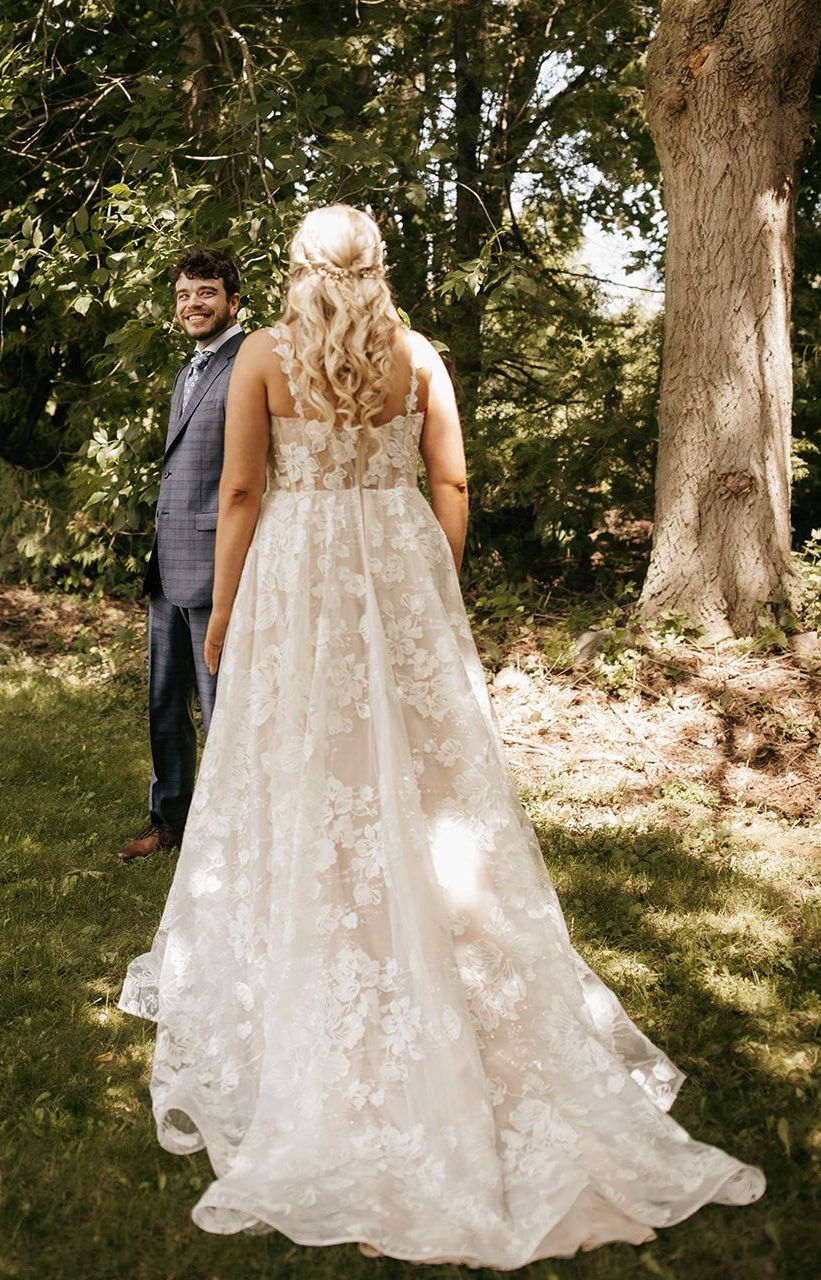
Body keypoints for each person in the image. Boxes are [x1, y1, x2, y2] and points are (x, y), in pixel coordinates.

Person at [118, 205, 764, 1266]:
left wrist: (225, 609)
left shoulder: (266, 359)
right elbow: (450, 483)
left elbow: (240, 490)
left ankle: (320, 956)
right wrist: (430, 581)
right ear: (377, 268)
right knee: (423, 784)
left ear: (292, 270)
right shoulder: (417, 358)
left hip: (298, 580)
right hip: (392, 568)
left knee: (302, 765)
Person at [117, 248, 244, 863]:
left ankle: (224, 840)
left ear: (233, 301)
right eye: (184, 295)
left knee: (221, 706)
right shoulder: (189, 368)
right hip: (168, 563)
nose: (192, 304)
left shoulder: (248, 362)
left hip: (219, 563)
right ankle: (168, 821)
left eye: (206, 292)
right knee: (163, 700)